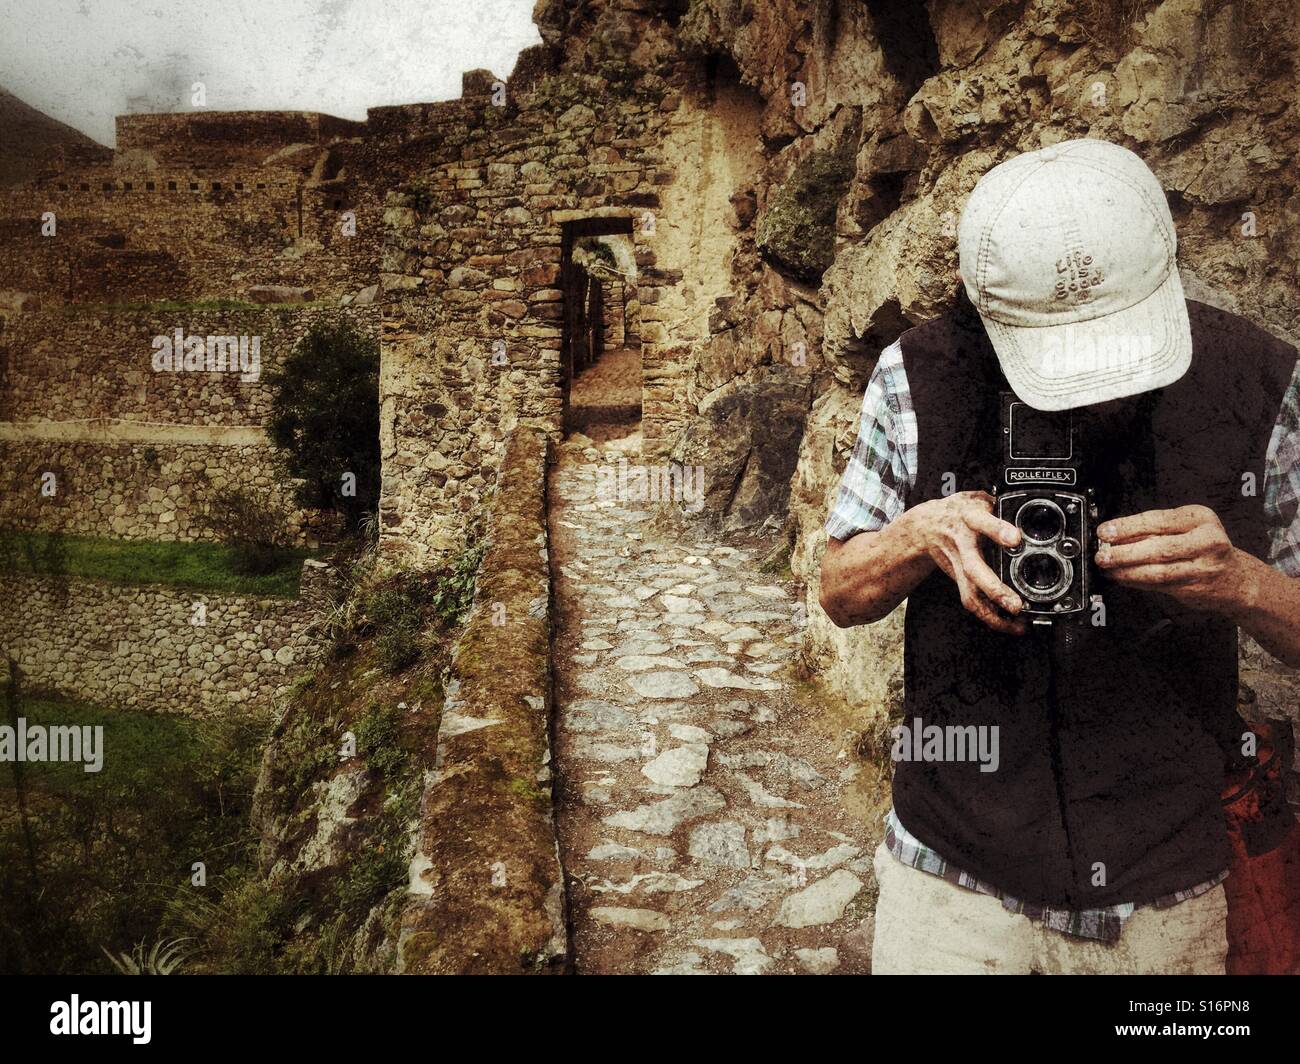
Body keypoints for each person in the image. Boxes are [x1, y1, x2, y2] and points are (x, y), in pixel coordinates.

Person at [819, 138, 1300, 974]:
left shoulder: (1259, 381)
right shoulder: (917, 375)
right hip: (951, 882)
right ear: (980, 301)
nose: (1098, 393)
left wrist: (1243, 583)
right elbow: (838, 591)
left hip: (1168, 895)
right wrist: (919, 533)